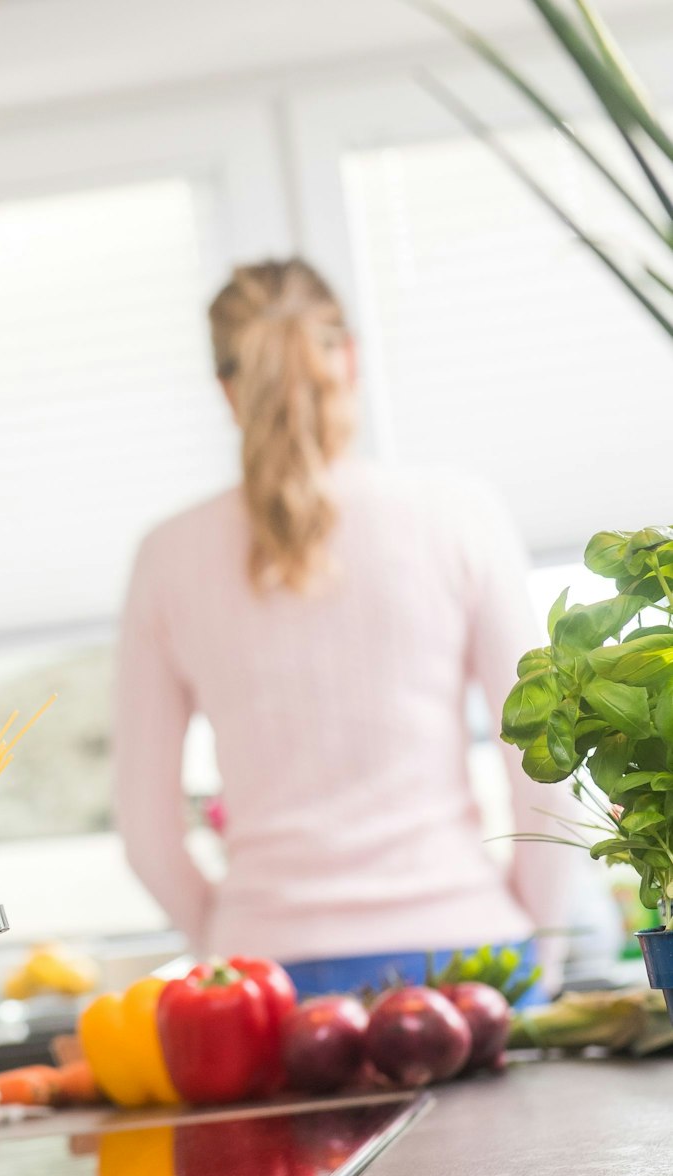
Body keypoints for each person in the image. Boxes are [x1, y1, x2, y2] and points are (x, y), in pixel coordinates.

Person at [112, 258, 581, 1000]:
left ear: (226, 390)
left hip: (269, 984)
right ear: (349, 359)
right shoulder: (458, 513)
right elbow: (545, 777)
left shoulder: (165, 556)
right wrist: (540, 954)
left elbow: (144, 834)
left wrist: (234, 939)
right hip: (468, 959)